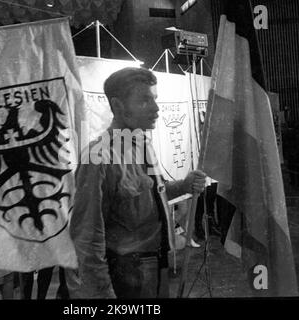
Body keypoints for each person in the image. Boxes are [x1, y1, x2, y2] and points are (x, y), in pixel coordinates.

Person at [66, 68, 206, 299]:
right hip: (125, 275)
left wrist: (183, 186)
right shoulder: (99, 157)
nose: (156, 108)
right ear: (118, 106)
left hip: (156, 269)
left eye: (154, 99)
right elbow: (86, 238)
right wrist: (100, 295)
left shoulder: (142, 143)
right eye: (144, 100)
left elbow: (150, 197)